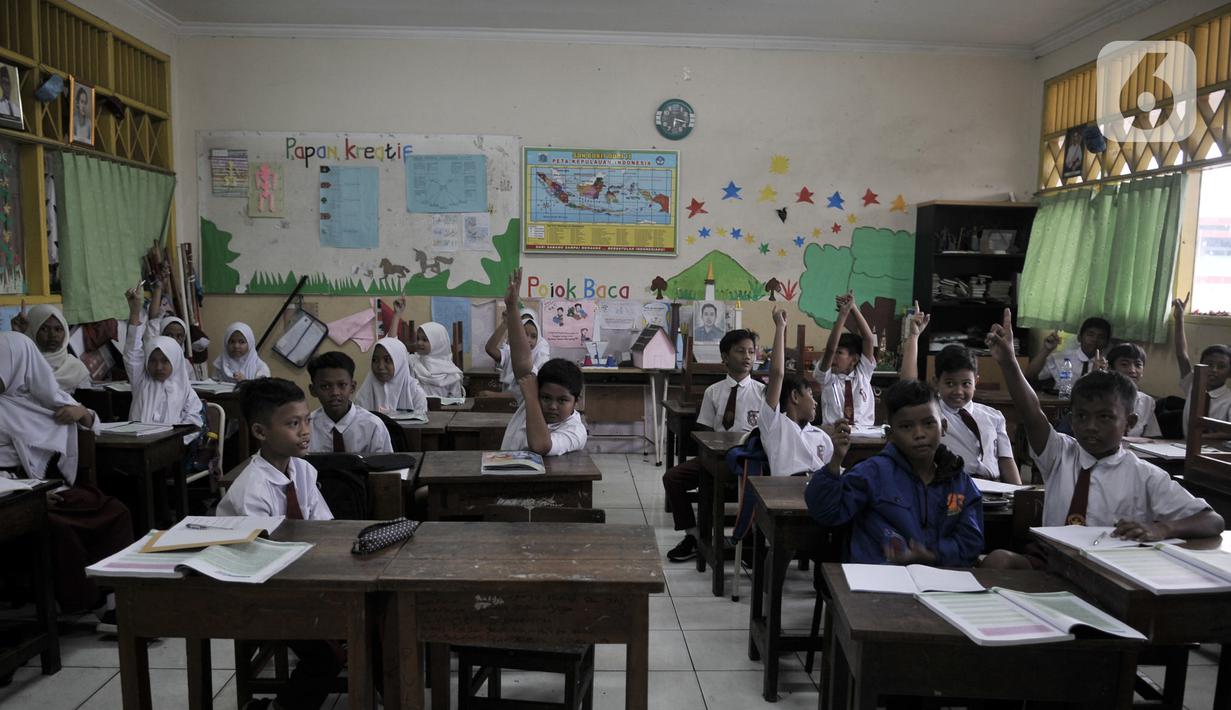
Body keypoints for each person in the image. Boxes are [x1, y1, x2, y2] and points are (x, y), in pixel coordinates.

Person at [981, 310, 1223, 570]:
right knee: (999, 560)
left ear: (1129, 423)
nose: (1091, 427)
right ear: (1072, 419)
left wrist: (1162, 528)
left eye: (1105, 417)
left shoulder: (1145, 475)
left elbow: (1212, 520)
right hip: (1053, 558)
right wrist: (1008, 362)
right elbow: (1031, 412)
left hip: (1111, 566)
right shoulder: (1060, 452)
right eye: (1082, 416)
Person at [215, 378, 338, 710]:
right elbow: (263, 558)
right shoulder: (251, 491)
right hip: (260, 591)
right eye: (292, 423)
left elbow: (325, 528)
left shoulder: (304, 472)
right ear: (260, 432)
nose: (304, 431)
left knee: (371, 626)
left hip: (298, 580)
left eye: (307, 421)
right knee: (326, 657)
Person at [0, 332, 132, 633]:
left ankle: (115, 593)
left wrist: (83, 412)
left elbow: (91, 422)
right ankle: (90, 603)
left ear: (23, 364)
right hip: (20, 494)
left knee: (114, 510)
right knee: (60, 530)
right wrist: (28, 495)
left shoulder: (40, 397)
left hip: (52, 486)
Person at [806, 378, 983, 566]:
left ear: (944, 427)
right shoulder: (873, 473)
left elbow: (971, 543)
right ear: (890, 435)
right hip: (880, 582)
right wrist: (836, 461)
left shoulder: (959, 482)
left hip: (939, 582)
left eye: (929, 423)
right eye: (907, 426)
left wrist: (930, 555)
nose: (919, 434)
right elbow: (826, 512)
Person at [662, 326, 764, 562]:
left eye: (751, 351)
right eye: (740, 351)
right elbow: (705, 431)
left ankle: (748, 540)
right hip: (716, 458)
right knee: (672, 478)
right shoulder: (713, 392)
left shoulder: (763, 392)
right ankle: (694, 536)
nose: (747, 356)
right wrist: (709, 456)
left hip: (749, 463)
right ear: (725, 357)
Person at [899, 303, 1020, 483]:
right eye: (949, 383)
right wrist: (914, 337)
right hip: (953, 486)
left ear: (976, 382)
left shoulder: (994, 417)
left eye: (966, 384)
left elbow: (1006, 461)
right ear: (935, 383)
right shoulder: (930, 415)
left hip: (994, 490)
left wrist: (1017, 495)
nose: (958, 391)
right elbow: (907, 388)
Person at [499, 269, 587, 456]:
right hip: (506, 474)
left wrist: (531, 397)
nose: (552, 406)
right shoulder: (533, 396)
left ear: (576, 402)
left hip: (543, 485)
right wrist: (512, 307)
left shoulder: (575, 431)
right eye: (546, 398)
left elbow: (540, 446)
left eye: (562, 400)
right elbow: (522, 359)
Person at [760, 307, 849, 477]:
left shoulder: (822, 436)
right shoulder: (775, 425)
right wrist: (780, 327)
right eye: (810, 394)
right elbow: (778, 374)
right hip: (786, 491)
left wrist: (839, 455)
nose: (815, 402)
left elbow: (832, 473)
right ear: (794, 396)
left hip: (818, 491)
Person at [124, 285, 204, 432]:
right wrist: (135, 311)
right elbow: (132, 351)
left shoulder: (186, 391)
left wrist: (176, 441)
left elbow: (193, 423)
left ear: (175, 361)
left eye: (165, 361)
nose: (158, 367)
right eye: (153, 361)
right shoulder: (141, 380)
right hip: (139, 445)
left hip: (170, 448)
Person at [306, 351, 392, 453]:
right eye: (325, 386)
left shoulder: (373, 426)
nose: (335, 393)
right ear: (313, 390)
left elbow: (386, 466)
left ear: (352, 387)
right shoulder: (306, 427)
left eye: (342, 385)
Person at [814, 290, 876, 427]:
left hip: (864, 433)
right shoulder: (827, 377)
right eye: (834, 353)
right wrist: (842, 315)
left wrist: (853, 308)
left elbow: (869, 339)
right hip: (834, 434)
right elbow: (830, 349)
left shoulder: (863, 373)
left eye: (840, 353)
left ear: (853, 360)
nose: (833, 357)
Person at [1172, 293, 1231, 434]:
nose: (1214, 370)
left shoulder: (1228, 400)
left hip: (1215, 453)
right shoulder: (1193, 384)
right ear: (1199, 366)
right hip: (1184, 449)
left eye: (1221, 366)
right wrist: (1179, 318)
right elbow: (1182, 355)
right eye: (1209, 364)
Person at [10, 301, 91, 391]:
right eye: (44, 329)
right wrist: (18, 337)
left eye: (58, 329)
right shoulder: (21, 366)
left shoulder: (76, 370)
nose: (52, 335)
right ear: (32, 331)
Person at [484, 306, 551, 404]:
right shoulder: (512, 350)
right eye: (523, 334)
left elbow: (530, 391)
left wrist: (496, 395)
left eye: (533, 336)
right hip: (507, 403)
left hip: (527, 404)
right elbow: (490, 349)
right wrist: (505, 323)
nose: (528, 340)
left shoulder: (541, 355)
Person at [1024, 317, 1111, 385]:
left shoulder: (1108, 365)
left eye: (1101, 337)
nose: (1095, 339)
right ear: (1079, 338)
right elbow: (1029, 375)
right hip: (1061, 404)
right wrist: (1046, 350)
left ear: (1107, 342)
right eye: (1090, 335)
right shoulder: (1061, 358)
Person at [355, 337, 428, 414]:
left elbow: (421, 423)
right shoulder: (365, 391)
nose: (380, 366)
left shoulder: (415, 393)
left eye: (387, 360)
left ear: (399, 362)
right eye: (375, 360)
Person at [1104, 342, 1162, 439]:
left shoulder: (1147, 401)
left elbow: (1152, 436)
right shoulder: (1100, 396)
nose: (1132, 370)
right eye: (1124, 364)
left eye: (1138, 365)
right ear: (1110, 368)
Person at [409, 322, 465, 398]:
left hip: (445, 409)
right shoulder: (413, 362)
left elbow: (456, 399)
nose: (419, 343)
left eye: (425, 340)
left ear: (437, 343)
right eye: (418, 339)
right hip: (417, 408)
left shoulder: (451, 372)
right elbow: (391, 348)